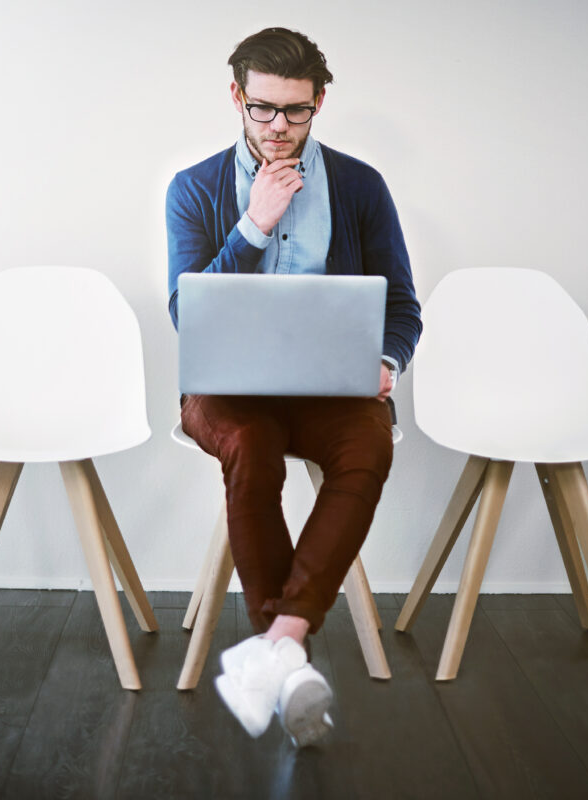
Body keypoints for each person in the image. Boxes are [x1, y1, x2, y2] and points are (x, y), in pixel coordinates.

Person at [166, 27, 422, 746]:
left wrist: (386, 361)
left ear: (320, 103)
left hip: (330, 388)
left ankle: (278, 644)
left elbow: (402, 304)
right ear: (236, 98)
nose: (278, 127)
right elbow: (190, 315)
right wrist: (253, 226)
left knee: (369, 447)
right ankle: (287, 654)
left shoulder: (362, 186)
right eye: (262, 109)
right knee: (250, 444)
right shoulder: (193, 190)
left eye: (296, 111)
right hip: (227, 391)